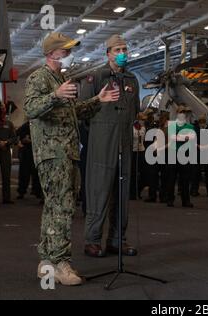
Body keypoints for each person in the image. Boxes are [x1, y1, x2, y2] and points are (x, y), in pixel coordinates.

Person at [24, 32, 120, 285]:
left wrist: (97, 101)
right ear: (51, 52)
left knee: (54, 207)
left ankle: (47, 261)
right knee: (63, 207)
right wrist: (55, 95)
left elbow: (73, 112)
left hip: (64, 152)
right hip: (53, 153)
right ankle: (61, 263)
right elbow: (31, 109)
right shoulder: (40, 78)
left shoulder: (61, 78)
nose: (68, 53)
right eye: (64, 49)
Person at [80, 35, 139, 258]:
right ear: (108, 53)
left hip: (124, 140)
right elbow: (83, 111)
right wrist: (99, 133)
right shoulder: (96, 77)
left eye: (124, 48)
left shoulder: (132, 79)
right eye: (117, 49)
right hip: (102, 141)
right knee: (99, 190)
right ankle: (92, 240)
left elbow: (135, 110)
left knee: (122, 193)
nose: (122, 52)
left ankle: (117, 240)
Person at [166, 105, 195, 208]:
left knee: (185, 180)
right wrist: (185, 137)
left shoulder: (190, 126)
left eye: (184, 112)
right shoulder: (172, 125)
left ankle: (186, 201)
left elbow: (192, 138)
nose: (182, 113)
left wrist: (180, 136)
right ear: (177, 113)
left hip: (184, 154)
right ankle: (170, 200)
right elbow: (173, 138)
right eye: (180, 112)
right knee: (171, 179)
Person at [16, 121, 42, 200]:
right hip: (27, 151)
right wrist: (20, 142)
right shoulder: (26, 126)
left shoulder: (39, 124)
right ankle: (22, 191)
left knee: (36, 173)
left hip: (36, 151)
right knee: (24, 173)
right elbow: (15, 134)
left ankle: (37, 191)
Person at [190, 114, 208, 198]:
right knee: (195, 173)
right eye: (200, 122)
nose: (202, 123)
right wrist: (198, 146)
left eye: (203, 121)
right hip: (197, 153)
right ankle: (194, 190)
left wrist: (206, 146)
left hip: (207, 153)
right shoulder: (195, 129)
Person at [130, 113, 147, 200]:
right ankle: (132, 192)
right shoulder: (132, 128)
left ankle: (138, 190)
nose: (143, 121)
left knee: (142, 172)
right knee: (133, 173)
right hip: (133, 151)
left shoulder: (143, 128)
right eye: (142, 119)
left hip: (141, 151)